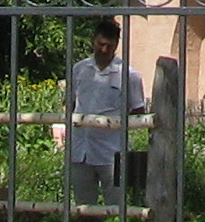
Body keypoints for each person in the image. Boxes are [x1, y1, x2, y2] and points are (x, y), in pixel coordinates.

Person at [54, 17, 143, 206]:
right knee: (82, 207)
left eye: (109, 46)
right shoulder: (79, 70)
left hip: (112, 153)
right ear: (93, 41)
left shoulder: (129, 75)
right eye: (100, 44)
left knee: (116, 208)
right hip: (80, 151)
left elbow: (138, 111)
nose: (104, 50)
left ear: (117, 45)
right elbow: (69, 103)